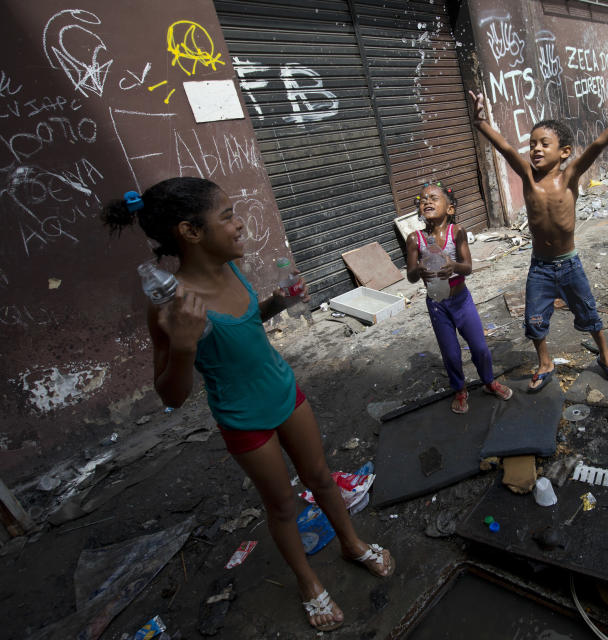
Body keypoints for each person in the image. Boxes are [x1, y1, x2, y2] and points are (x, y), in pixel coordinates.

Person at [101, 177, 394, 632]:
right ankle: (308, 582)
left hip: (283, 390)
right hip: (242, 418)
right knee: (281, 507)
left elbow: (243, 324)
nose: (239, 225)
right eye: (227, 217)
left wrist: (277, 302)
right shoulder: (171, 304)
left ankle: (352, 544)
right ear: (191, 232)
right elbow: (171, 396)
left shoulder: (232, 268)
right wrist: (181, 346)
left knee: (321, 476)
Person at [468, 78, 608, 392]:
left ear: (564, 152)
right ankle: (545, 363)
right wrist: (481, 121)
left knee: (590, 314)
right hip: (540, 267)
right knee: (534, 322)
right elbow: (505, 148)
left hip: (569, 264)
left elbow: (599, 143)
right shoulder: (527, 177)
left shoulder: (570, 177)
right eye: (532, 143)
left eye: (543, 144)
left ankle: (605, 357)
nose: (535, 149)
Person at [405, 182, 514, 413]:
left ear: (450, 209)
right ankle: (460, 389)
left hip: (461, 300)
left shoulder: (458, 232)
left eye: (434, 198)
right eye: (423, 199)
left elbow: (468, 268)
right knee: (451, 353)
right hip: (437, 304)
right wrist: (420, 270)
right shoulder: (415, 239)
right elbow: (411, 277)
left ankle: (488, 382)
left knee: (480, 348)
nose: (427, 202)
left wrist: (453, 265)